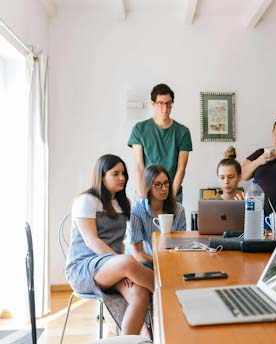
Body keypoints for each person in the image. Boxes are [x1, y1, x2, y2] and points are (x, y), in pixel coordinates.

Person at [65, 154, 154, 336]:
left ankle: (132, 339)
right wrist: (122, 265)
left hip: (112, 267)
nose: (122, 178)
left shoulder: (123, 203)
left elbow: (119, 243)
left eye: (124, 173)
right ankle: (168, 292)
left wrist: (121, 266)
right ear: (102, 175)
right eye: (116, 173)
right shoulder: (87, 200)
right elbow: (92, 241)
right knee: (129, 262)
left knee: (140, 295)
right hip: (84, 267)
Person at [128, 83, 192, 203]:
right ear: (153, 104)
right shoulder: (139, 129)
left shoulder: (183, 132)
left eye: (168, 104)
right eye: (160, 103)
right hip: (147, 189)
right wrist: (142, 195)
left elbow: (181, 168)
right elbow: (139, 166)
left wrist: (171, 197)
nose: (165, 108)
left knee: (172, 222)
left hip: (172, 190)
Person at [127, 165, 186, 268]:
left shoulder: (179, 210)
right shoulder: (136, 211)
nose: (164, 189)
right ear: (148, 187)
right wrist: (162, 260)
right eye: (158, 185)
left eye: (166, 183)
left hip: (172, 260)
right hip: (145, 262)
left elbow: (181, 245)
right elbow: (138, 254)